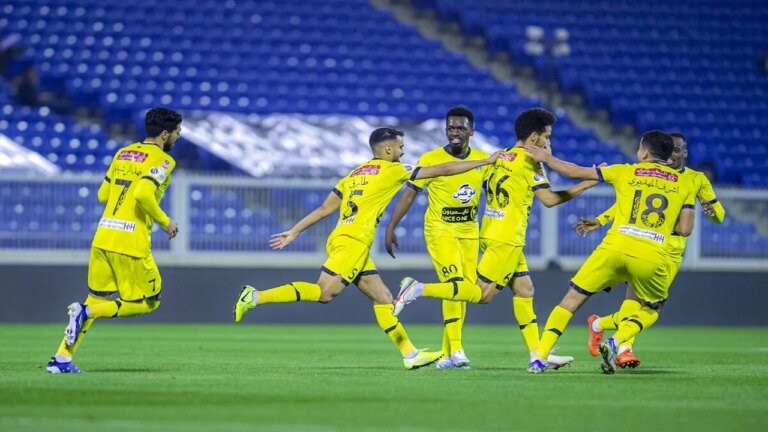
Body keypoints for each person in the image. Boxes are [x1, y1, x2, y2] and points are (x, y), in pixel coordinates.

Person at [233, 128, 500, 370]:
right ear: (388, 149)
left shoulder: (354, 174)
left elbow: (325, 208)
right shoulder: (392, 170)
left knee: (383, 298)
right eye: (400, 147)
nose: (403, 151)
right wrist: (484, 162)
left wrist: (295, 230)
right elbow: (442, 169)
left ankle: (410, 354)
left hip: (343, 236)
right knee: (324, 292)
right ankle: (255, 297)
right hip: (354, 241)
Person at [392, 108, 597, 369]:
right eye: (547, 136)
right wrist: (585, 184)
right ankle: (418, 289)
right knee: (481, 294)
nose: (548, 142)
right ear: (534, 137)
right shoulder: (530, 162)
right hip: (507, 238)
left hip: (490, 231)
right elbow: (549, 200)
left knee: (524, 290)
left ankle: (538, 355)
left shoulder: (500, 156)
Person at [524, 130, 695, 374]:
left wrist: (546, 158)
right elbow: (685, 229)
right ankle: (616, 341)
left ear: (645, 153)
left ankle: (539, 358)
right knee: (652, 308)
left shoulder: (625, 171)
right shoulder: (686, 183)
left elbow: (574, 171)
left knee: (570, 301)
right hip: (650, 255)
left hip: (613, 249)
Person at [46, 107, 182, 373]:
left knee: (97, 297)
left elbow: (102, 194)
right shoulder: (164, 160)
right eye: (177, 132)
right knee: (149, 300)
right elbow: (143, 193)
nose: (178, 136)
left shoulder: (123, 153)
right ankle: (86, 313)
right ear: (165, 134)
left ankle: (61, 360)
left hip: (103, 236)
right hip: (130, 242)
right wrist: (166, 221)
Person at [575, 132, 725, 368]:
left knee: (650, 305)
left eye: (677, 150)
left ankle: (599, 324)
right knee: (635, 300)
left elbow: (719, 216)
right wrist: (601, 220)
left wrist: (712, 211)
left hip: (672, 252)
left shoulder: (696, 179)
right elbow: (626, 205)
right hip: (646, 244)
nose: (671, 155)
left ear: (685, 153)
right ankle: (623, 348)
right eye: (669, 149)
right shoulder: (648, 174)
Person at [385, 106, 488, 369]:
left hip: (470, 232)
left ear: (471, 131)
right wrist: (391, 226)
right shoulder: (431, 159)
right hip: (440, 231)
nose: (455, 132)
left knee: (463, 292)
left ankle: (446, 355)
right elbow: (409, 193)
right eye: (451, 127)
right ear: (445, 130)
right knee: (454, 283)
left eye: (461, 128)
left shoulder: (482, 160)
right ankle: (458, 349)